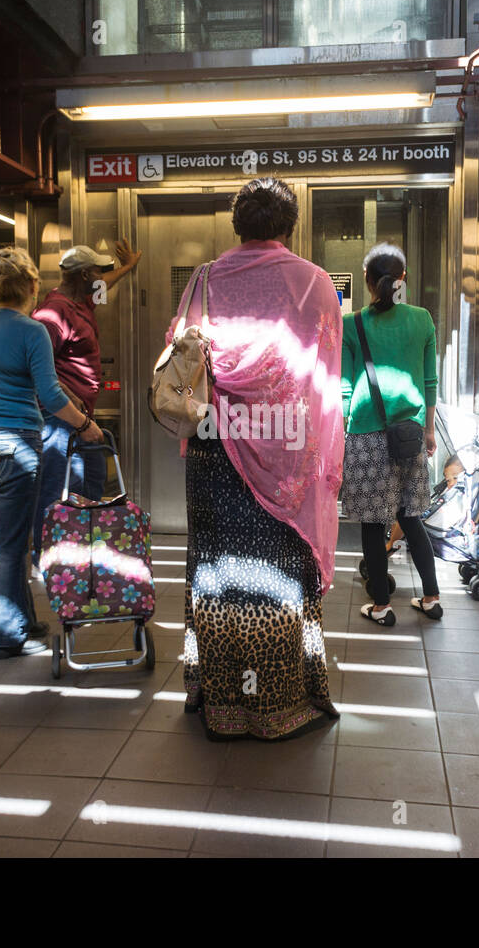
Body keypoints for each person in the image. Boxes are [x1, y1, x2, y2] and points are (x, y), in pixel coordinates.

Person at [169, 176, 344, 741]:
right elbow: (323, 381)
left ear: (236, 226)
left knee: (218, 575)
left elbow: (181, 361)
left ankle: (219, 700)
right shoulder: (316, 283)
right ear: (290, 227)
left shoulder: (204, 280)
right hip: (287, 451)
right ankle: (279, 702)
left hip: (214, 448)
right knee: (278, 580)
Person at [0, 247, 103, 659]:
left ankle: (24, 621)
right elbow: (50, 395)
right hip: (15, 447)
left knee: (6, 538)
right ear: (32, 286)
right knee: (12, 546)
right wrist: (85, 426)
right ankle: (3, 637)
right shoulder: (31, 331)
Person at [340, 244, 442, 626]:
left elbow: (345, 388)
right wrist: (429, 428)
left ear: (367, 281)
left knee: (372, 522)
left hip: (365, 435)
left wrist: (340, 437)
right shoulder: (423, 320)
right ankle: (430, 598)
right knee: (410, 515)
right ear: (404, 279)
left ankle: (382, 606)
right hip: (409, 433)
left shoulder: (353, 323)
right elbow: (430, 382)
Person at [30, 240, 141, 568]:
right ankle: (46, 557)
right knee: (56, 489)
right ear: (81, 276)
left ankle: (81, 552)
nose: (101, 277)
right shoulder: (53, 313)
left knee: (91, 482)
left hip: (81, 419)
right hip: (59, 417)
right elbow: (37, 365)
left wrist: (127, 267)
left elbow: (105, 283)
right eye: (96, 271)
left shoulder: (81, 300)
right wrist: (70, 396)